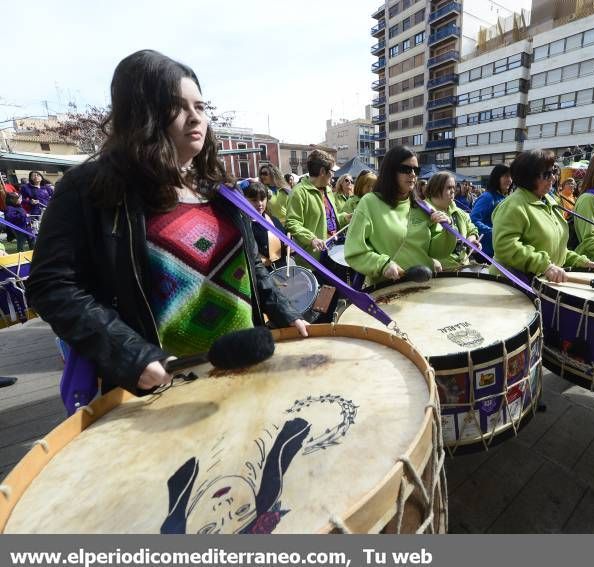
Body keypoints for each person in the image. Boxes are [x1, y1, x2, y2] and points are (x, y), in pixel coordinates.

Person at [25, 50, 309, 396]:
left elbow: (251, 269)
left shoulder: (220, 188)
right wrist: (129, 354)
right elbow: (51, 286)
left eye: (200, 107)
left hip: (243, 371)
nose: (195, 119)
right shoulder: (89, 188)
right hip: (164, 387)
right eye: (178, 107)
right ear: (141, 113)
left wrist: (283, 311)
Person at [344, 146, 448, 285]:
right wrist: (382, 265)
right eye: (406, 169)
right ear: (391, 171)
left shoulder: (422, 206)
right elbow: (354, 252)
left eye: (416, 170)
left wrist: (448, 230)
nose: (412, 174)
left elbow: (437, 252)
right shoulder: (369, 202)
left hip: (424, 287)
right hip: (387, 291)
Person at [491, 150, 594, 282]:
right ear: (529, 177)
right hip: (513, 286)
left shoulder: (549, 201)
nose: (554, 178)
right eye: (547, 174)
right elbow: (504, 246)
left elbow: (554, 248)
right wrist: (544, 266)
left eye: (553, 172)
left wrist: (579, 261)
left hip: (541, 283)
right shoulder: (513, 205)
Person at [284, 149, 350, 266]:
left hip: (334, 253)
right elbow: (292, 223)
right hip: (314, 260)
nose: (333, 175)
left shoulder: (328, 190)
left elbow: (328, 220)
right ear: (323, 171)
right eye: (331, 171)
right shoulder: (298, 192)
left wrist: (345, 218)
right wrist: (311, 239)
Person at [422, 172, 480, 270]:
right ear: (436, 188)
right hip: (440, 272)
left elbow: (472, 228)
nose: (453, 191)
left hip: (464, 266)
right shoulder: (422, 211)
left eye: (454, 187)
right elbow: (415, 246)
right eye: (449, 188)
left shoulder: (459, 211)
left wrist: (472, 239)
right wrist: (430, 260)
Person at [470, 164, 512, 259]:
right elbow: (473, 220)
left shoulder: (504, 198)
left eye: (511, 176)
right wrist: (495, 232)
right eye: (506, 176)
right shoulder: (487, 197)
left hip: (499, 250)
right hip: (486, 253)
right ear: (497, 177)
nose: (510, 180)